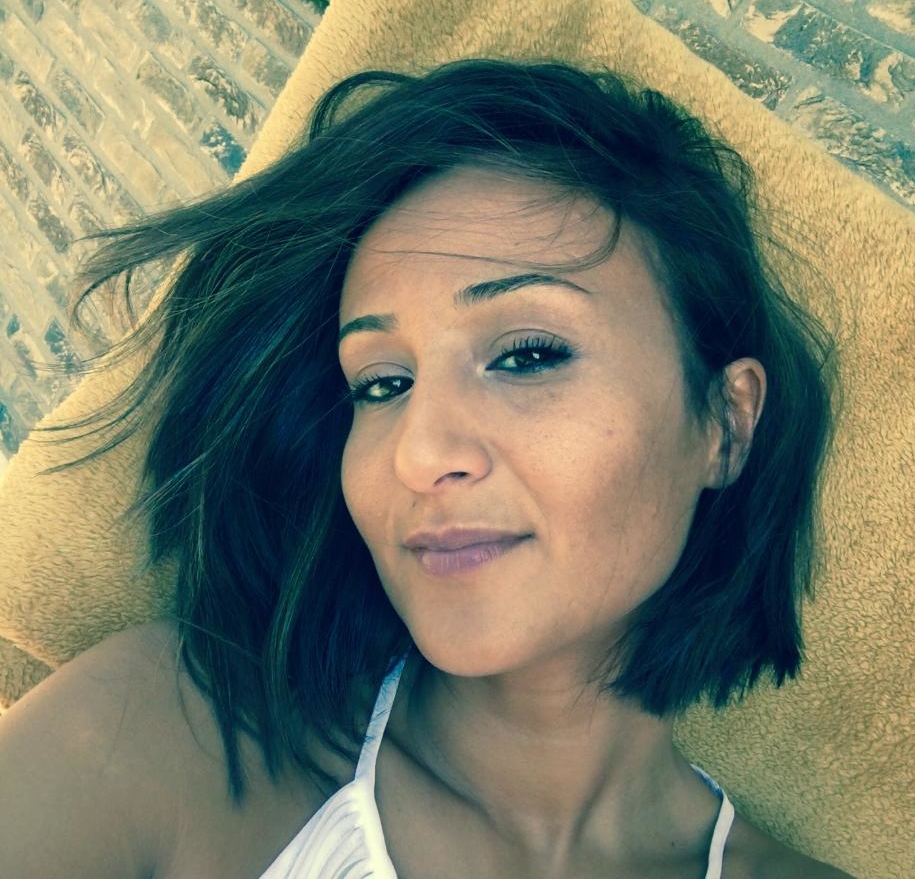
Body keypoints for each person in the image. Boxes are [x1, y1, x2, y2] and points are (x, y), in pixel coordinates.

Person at [0, 58, 853, 878]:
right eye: (381, 384)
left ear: (724, 424)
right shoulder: (164, 733)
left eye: (527, 354)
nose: (417, 454)